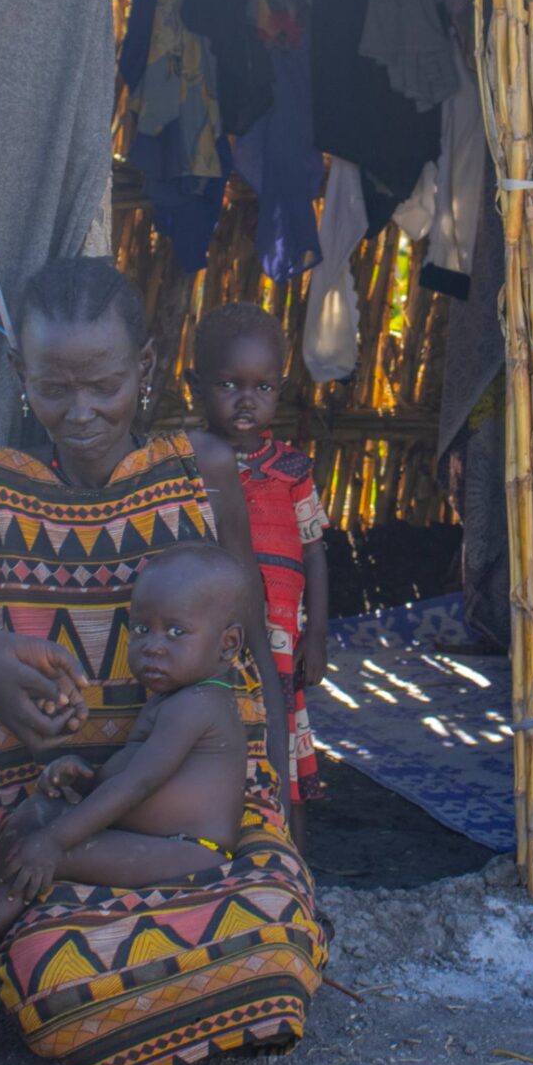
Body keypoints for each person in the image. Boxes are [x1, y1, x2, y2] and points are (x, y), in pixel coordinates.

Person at [0, 255, 325, 1065]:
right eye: (54, 388)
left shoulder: (202, 470)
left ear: (146, 367)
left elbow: (251, 644)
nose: (82, 411)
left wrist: (277, 811)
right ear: (20, 375)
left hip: (199, 811)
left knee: (281, 930)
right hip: (62, 796)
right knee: (57, 975)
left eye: (104, 385)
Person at [0, 542, 253, 999]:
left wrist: (56, 842)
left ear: (228, 644)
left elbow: (139, 784)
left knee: (43, 853)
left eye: (176, 632)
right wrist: (87, 779)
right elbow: (137, 774)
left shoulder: (199, 704)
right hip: (157, 838)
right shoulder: (172, 698)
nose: (153, 647)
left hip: (192, 851)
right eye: (141, 630)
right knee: (35, 814)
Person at [189, 302, 328, 833]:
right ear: (194, 386)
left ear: (281, 389)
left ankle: (293, 864)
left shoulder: (293, 469)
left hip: (281, 638)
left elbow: (314, 551)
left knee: (284, 743)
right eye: (228, 385)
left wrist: (316, 635)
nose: (246, 400)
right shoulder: (187, 466)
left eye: (262, 387)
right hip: (215, 637)